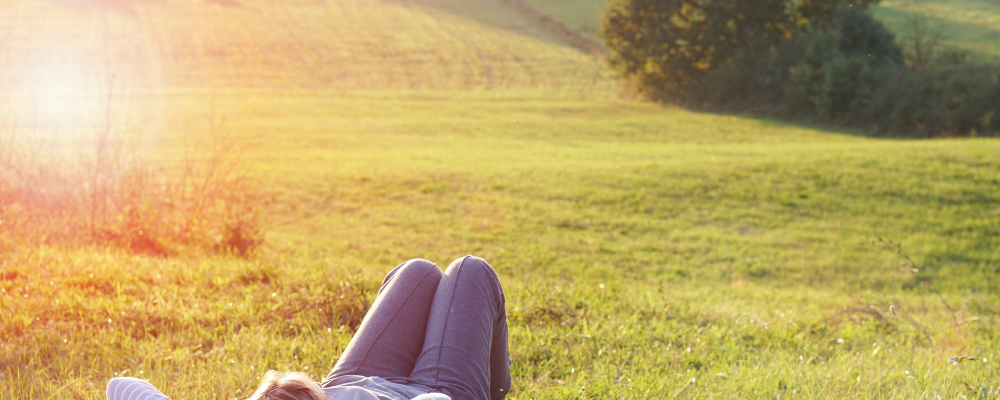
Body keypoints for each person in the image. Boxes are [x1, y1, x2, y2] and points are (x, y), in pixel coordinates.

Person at [107, 256, 512, 400]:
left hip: (344, 383)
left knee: (417, 273)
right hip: (429, 392)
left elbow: (119, 385)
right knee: (469, 271)